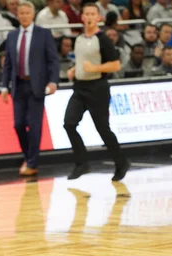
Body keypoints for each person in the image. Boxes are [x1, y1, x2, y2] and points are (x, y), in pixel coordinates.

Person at [63, 2, 130, 181]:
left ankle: (121, 162)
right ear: (82, 17)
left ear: (99, 17)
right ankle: (81, 163)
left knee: (103, 129)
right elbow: (81, 60)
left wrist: (95, 68)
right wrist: (74, 70)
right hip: (79, 87)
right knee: (69, 124)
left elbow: (115, 64)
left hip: (97, 88)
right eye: (87, 14)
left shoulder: (103, 39)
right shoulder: (78, 39)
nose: (90, 17)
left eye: (94, 14)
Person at [1, 1, 59, 176]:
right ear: (17, 15)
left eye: (27, 13)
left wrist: (53, 81)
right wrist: (4, 86)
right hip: (18, 85)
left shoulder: (44, 34)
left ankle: (32, 163)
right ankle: (29, 157)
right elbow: (8, 64)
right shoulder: (12, 35)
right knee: (18, 125)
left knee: (34, 127)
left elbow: (53, 60)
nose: (24, 16)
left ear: (33, 14)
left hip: (37, 86)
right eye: (22, 13)